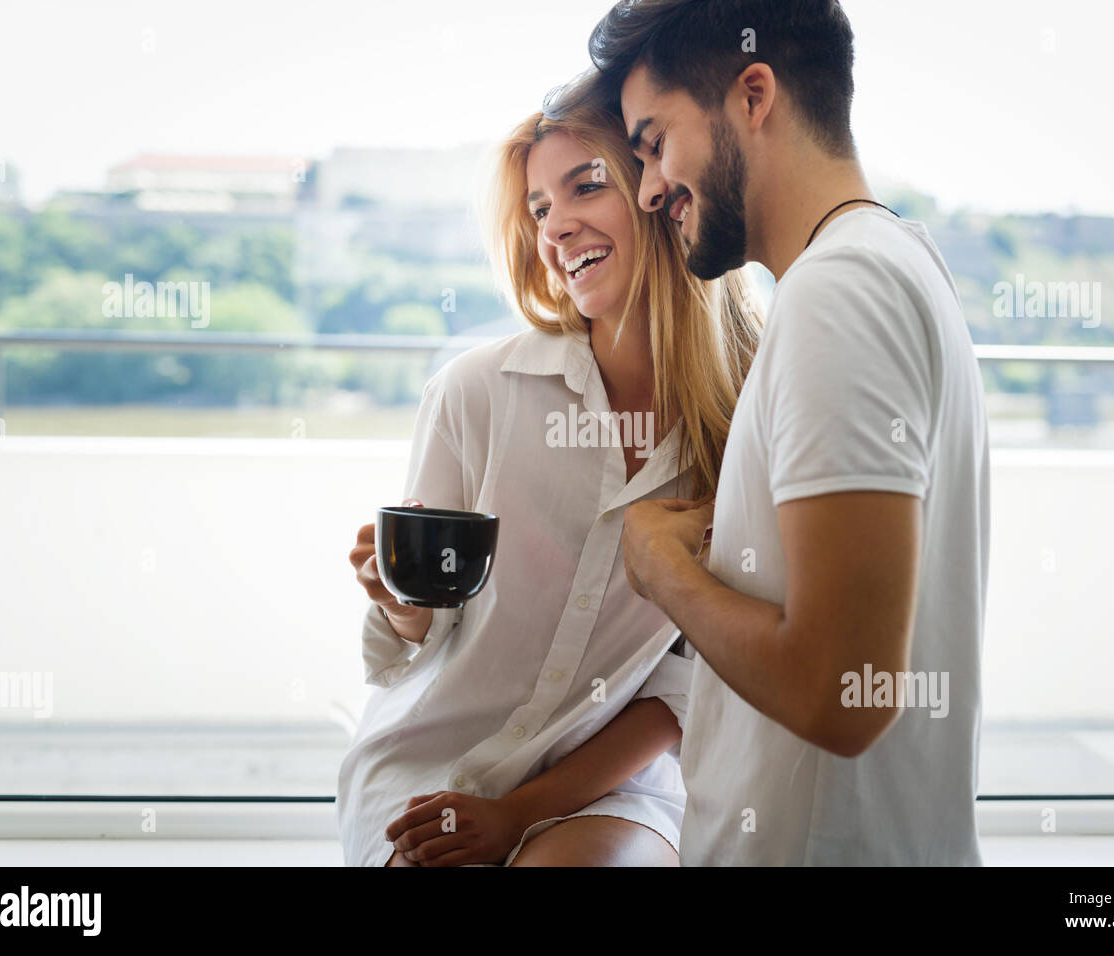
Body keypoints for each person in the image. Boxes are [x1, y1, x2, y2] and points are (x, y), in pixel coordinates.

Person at [587, 0, 991, 865]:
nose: (650, 186)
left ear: (754, 95)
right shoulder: (895, 264)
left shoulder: (838, 294)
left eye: (655, 141)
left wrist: (661, 571)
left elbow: (842, 694)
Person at [336, 75, 763, 867]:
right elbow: (410, 643)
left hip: (610, 779)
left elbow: (682, 693)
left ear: (663, 194)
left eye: (585, 186)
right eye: (537, 210)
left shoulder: (745, 426)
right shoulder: (475, 394)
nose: (556, 227)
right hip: (435, 757)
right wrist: (396, 601)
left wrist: (518, 814)